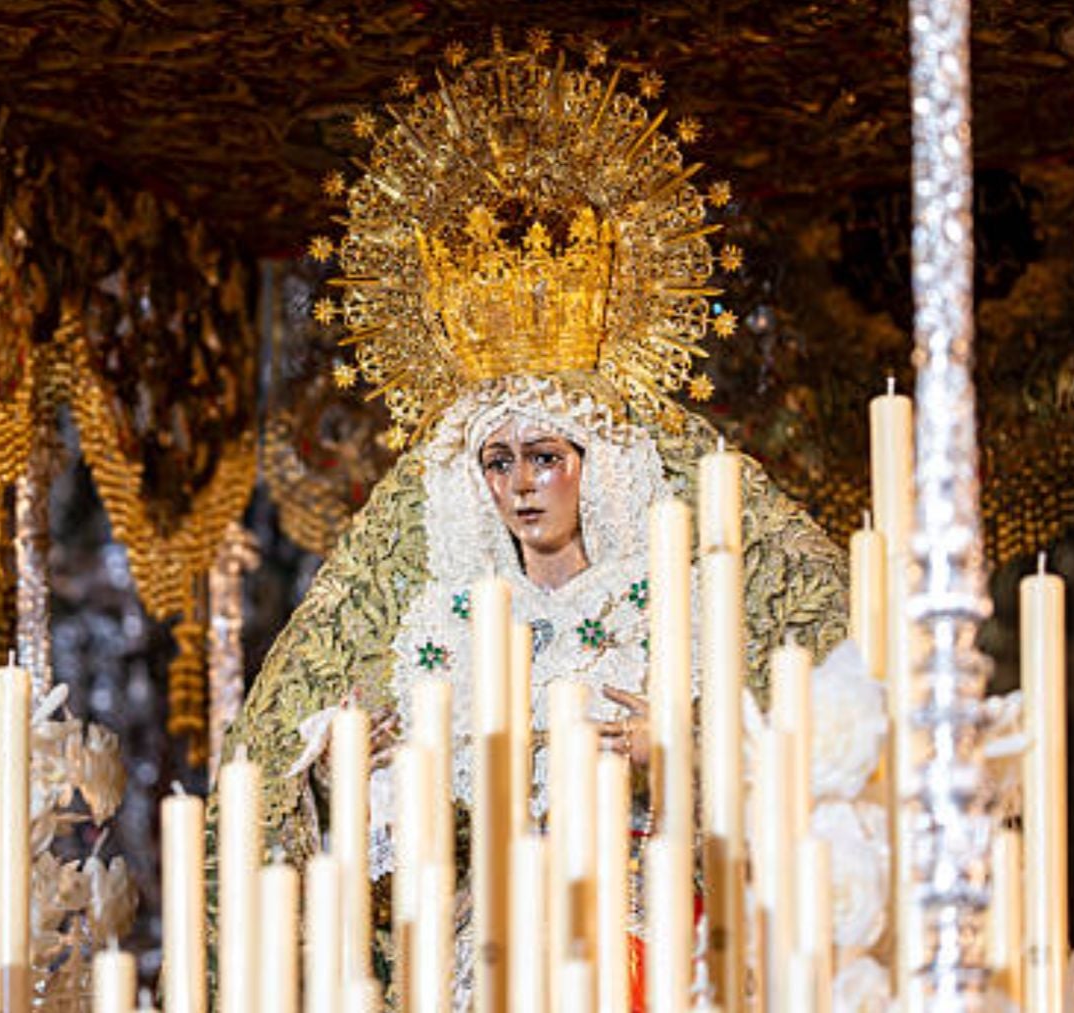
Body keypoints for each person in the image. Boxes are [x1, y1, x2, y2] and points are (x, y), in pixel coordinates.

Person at [213, 42, 851, 998]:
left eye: (546, 456)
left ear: (596, 466)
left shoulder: (670, 607)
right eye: (499, 460)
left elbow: (805, 782)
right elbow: (385, 857)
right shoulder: (445, 623)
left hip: (644, 933)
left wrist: (682, 754)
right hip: (485, 948)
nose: (522, 485)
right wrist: (347, 773)